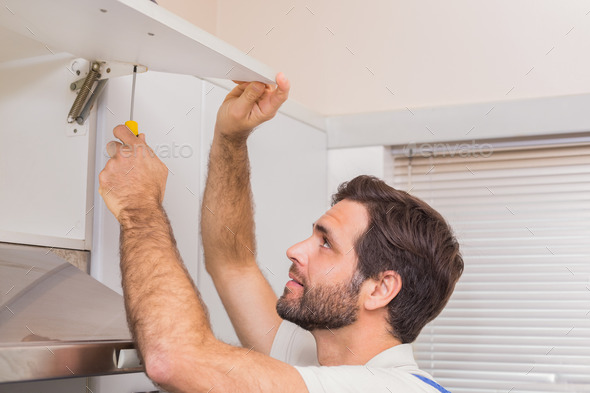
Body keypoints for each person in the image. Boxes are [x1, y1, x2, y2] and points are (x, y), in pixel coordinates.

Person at [99, 72, 463, 393]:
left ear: (380, 288)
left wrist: (139, 209)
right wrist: (231, 137)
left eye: (326, 243)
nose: (295, 250)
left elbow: (173, 359)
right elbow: (232, 263)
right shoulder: (315, 360)